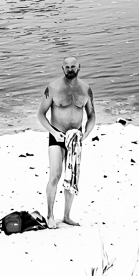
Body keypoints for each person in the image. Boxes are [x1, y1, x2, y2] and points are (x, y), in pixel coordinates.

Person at [38, 56, 96, 226]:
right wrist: (53, 132)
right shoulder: (53, 88)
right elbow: (41, 114)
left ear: (79, 67)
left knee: (72, 179)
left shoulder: (86, 90)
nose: (70, 69)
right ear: (62, 69)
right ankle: (49, 215)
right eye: (67, 67)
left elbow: (92, 115)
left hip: (75, 137)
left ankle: (67, 216)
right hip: (57, 135)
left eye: (73, 66)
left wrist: (86, 133)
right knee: (55, 175)